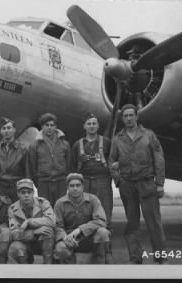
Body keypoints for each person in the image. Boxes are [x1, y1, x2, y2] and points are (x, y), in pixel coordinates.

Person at [108, 104, 167, 264]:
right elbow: (111, 160)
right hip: (127, 185)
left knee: (154, 221)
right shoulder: (117, 139)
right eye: (125, 116)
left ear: (136, 116)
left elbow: (159, 157)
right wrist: (118, 180)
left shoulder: (149, 135)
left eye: (131, 115)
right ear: (122, 119)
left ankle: (161, 257)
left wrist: (159, 183)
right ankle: (135, 257)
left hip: (147, 183)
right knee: (132, 223)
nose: (128, 118)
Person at [54, 173, 112, 264]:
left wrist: (81, 229)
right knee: (60, 249)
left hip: (89, 237)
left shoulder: (93, 200)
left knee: (103, 232)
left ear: (83, 187)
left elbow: (101, 221)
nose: (75, 188)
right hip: (70, 239)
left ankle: (99, 266)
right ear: (67, 188)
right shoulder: (60, 203)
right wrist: (64, 237)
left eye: (78, 185)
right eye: (72, 186)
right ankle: (69, 271)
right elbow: (57, 225)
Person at [71, 113, 113, 231]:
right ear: (84, 126)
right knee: (84, 215)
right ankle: (87, 245)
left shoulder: (106, 143)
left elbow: (113, 162)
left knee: (105, 214)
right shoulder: (77, 145)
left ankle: (106, 246)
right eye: (89, 123)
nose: (91, 126)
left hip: (102, 182)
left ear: (98, 126)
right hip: (84, 183)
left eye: (94, 123)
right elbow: (72, 166)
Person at [8, 179, 56, 264]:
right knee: (15, 247)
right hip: (26, 243)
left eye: (29, 192)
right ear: (18, 194)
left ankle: (48, 267)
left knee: (47, 230)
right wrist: (34, 232)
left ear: (33, 193)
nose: (26, 195)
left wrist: (29, 221)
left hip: (43, 242)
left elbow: (51, 221)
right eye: (23, 192)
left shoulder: (43, 202)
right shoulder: (12, 209)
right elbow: (14, 234)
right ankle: (26, 270)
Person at [29, 113, 71, 207]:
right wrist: (38, 181)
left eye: (52, 125)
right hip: (44, 181)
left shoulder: (65, 144)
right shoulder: (34, 145)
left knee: (61, 207)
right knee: (45, 208)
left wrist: (64, 177)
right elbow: (32, 165)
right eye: (46, 125)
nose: (49, 128)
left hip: (61, 181)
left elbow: (68, 163)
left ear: (55, 126)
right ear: (42, 127)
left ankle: (60, 222)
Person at [0, 117, 30, 202]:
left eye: (9, 128)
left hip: (17, 187)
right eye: (4, 128)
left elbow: (27, 173)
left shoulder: (22, 149)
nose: (6, 131)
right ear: (0, 131)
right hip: (0, 188)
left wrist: (26, 190)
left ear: (14, 130)